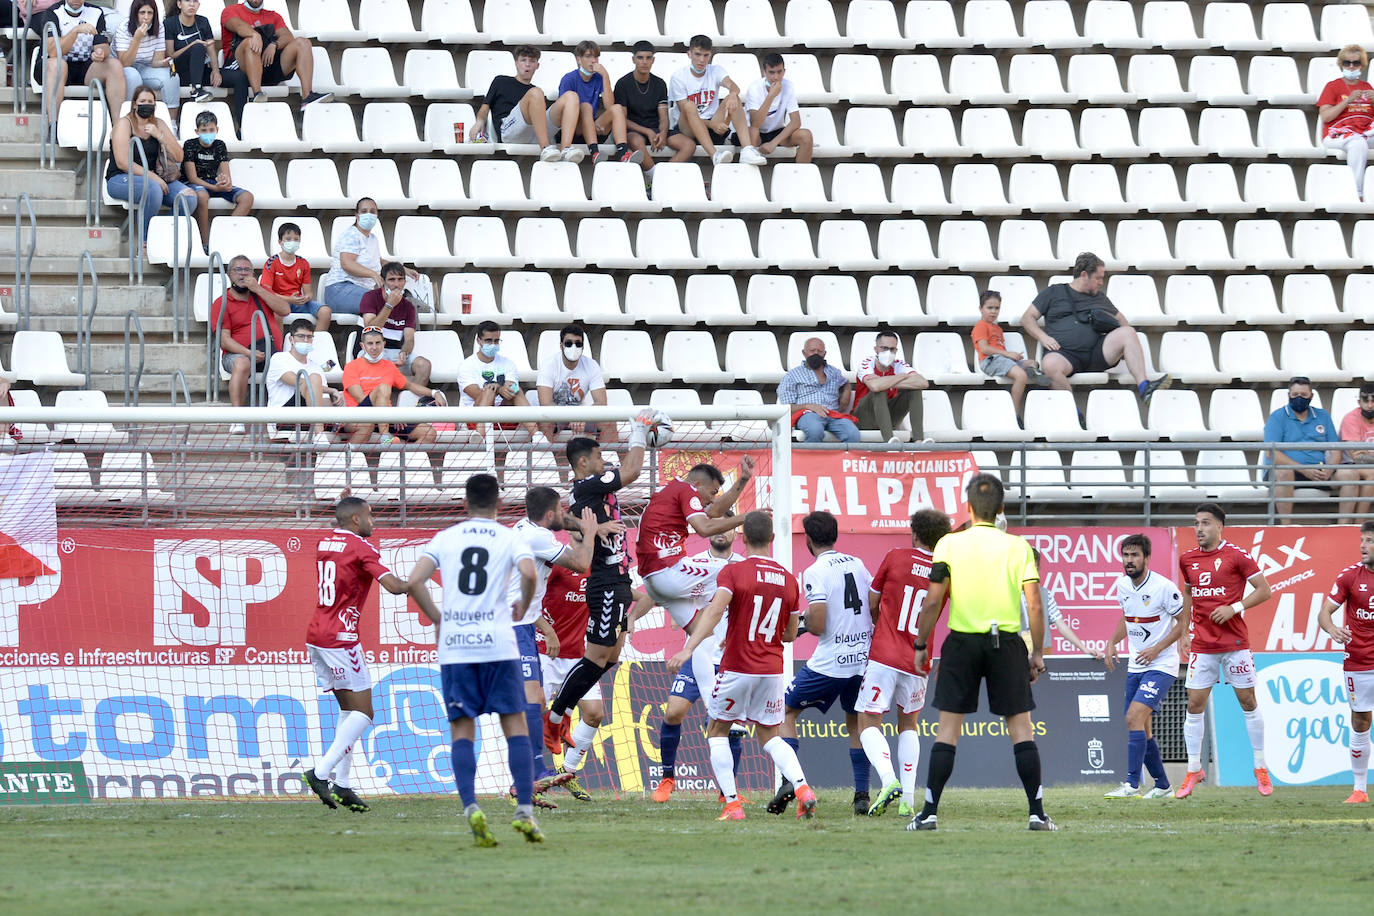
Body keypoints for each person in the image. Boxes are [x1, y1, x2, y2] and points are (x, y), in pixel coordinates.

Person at [909, 473, 1056, 831]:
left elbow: (932, 602)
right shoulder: (1019, 548)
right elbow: (1035, 607)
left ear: (969, 507)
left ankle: (928, 814)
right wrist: (1036, 653)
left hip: (961, 641)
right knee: (1022, 730)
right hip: (1005, 642)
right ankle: (1037, 813)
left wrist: (921, 643)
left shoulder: (948, 544)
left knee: (947, 732)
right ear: (1002, 508)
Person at [404, 473, 544, 846]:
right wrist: (523, 604)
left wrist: (438, 618)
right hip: (498, 643)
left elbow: (414, 581)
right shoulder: (510, 537)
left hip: (457, 645)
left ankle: (471, 807)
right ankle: (525, 812)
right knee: (515, 726)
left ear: (465, 502)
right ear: (498, 502)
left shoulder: (446, 538)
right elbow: (529, 573)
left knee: (463, 730)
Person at [669, 511, 817, 821]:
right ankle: (803, 789)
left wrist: (689, 648)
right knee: (770, 735)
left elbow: (713, 612)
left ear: (744, 538)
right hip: (772, 669)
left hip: (737, 666)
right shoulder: (790, 580)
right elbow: (789, 634)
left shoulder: (734, 572)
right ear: (773, 539)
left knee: (717, 730)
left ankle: (733, 805)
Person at [542, 415, 656, 757]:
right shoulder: (588, 484)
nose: (605, 462)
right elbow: (633, 470)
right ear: (583, 462)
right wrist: (640, 427)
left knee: (612, 657)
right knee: (596, 657)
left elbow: (567, 515)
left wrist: (592, 528)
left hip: (619, 579)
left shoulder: (587, 492)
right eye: (600, 457)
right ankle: (555, 716)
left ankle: (563, 707)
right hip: (604, 581)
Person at [299, 496, 420, 812]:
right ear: (355, 520)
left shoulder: (326, 540)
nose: (373, 521)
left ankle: (343, 784)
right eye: (369, 516)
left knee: (347, 711)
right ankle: (320, 773)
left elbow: (341, 529)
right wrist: (417, 581)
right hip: (341, 638)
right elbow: (393, 587)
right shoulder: (362, 548)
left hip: (317, 634)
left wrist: (345, 502)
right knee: (365, 713)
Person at [768, 510, 873, 816]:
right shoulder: (858, 563)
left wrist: (802, 623)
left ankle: (791, 781)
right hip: (861, 659)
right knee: (856, 722)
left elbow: (819, 624)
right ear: (836, 535)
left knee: (784, 711)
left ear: (809, 540)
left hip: (830, 663)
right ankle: (861, 795)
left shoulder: (815, 571)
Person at [505, 487, 601, 808]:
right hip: (513, 625)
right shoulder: (540, 538)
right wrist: (589, 533)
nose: (563, 516)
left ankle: (533, 774)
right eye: (560, 511)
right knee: (529, 700)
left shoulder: (523, 529)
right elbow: (582, 560)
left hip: (520, 623)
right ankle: (530, 774)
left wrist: (590, 526)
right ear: (549, 514)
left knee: (533, 699)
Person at [1174, 503, 1275, 799]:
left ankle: (1260, 766)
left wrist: (1235, 607)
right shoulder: (1187, 559)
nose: (1199, 529)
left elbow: (1264, 590)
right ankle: (1194, 769)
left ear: (1219, 526)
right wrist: (1184, 632)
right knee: (1194, 704)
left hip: (1234, 644)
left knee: (1247, 701)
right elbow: (1190, 593)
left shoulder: (1237, 557)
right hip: (1203, 645)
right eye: (1196, 523)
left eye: (1205, 523)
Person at [637, 458, 752, 710]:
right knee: (737, 570)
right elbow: (704, 527)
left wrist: (742, 481)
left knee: (704, 635)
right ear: (698, 484)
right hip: (669, 571)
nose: (711, 500)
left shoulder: (670, 492)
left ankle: (714, 709)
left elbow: (712, 512)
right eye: (711, 493)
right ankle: (740, 629)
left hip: (656, 581)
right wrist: (746, 518)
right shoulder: (686, 490)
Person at [859, 509, 951, 819]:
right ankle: (908, 801)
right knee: (909, 725)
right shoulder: (945, 570)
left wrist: (881, 626)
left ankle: (888, 781)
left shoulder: (896, 556)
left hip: (884, 654)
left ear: (914, 533)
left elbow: (872, 601)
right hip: (919, 657)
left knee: (868, 721)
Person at [650, 529, 748, 804]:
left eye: (726, 527)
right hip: (698, 656)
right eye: (716, 527)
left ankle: (725, 792)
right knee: (674, 712)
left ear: (735, 532)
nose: (721, 533)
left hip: (731, 658)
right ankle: (668, 777)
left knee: (730, 723)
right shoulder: (693, 565)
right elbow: (675, 617)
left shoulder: (742, 567)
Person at [1019, 252, 1172, 401]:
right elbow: (1027, 318)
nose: (1101, 282)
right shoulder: (1054, 292)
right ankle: (1072, 412)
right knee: (1050, 365)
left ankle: (1145, 388)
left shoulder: (1099, 297)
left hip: (1096, 354)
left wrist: (1125, 348)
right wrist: (1043, 337)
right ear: (1084, 275)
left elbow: (1122, 322)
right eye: (1098, 278)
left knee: (1128, 332)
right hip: (1064, 354)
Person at [1102, 534, 1184, 799]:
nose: (1129, 560)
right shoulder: (1123, 586)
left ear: (1146, 558)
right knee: (1141, 727)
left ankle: (1131, 784)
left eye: (1134, 555)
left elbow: (1184, 622)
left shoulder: (1164, 587)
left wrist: (1157, 649)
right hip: (1136, 664)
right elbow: (1127, 619)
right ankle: (1162, 785)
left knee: (1133, 718)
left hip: (1162, 664)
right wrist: (1113, 641)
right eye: (1125, 555)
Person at [1317, 521, 1374, 804]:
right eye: (1362, 540)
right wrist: (1332, 629)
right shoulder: (1350, 576)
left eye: (1370, 541)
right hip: (1359, 663)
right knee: (1360, 720)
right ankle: (1359, 789)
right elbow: (1325, 613)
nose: (1363, 546)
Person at [105, 84, 198, 245]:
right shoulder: (124, 124)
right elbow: (122, 162)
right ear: (134, 104)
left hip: (156, 179)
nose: (146, 104)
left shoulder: (159, 124)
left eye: (150, 101)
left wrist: (160, 135)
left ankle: (161, 236)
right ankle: (146, 241)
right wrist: (153, 176)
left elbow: (179, 156)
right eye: (142, 101)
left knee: (189, 198)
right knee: (152, 188)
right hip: (120, 178)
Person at [539, 563, 597, 800]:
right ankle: (523, 782)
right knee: (531, 714)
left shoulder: (598, 567)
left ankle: (567, 772)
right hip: (546, 653)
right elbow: (526, 600)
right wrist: (548, 631)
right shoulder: (557, 563)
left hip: (579, 656)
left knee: (594, 713)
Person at [1263, 376, 1356, 522]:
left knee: (1349, 474)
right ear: (1289, 395)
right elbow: (1271, 453)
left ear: (1311, 396)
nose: (1299, 398)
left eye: (1304, 395)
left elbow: (1336, 449)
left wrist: (1329, 470)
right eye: (1295, 395)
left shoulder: (1322, 416)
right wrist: (1303, 469)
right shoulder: (1277, 417)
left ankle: (1343, 525)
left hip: (1319, 471)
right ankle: (1285, 527)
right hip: (1289, 470)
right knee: (1283, 472)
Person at [210, 253, 288, 426]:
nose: (243, 274)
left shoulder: (262, 293)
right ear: (229, 274)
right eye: (238, 270)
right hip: (238, 354)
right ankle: (237, 418)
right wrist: (248, 352)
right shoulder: (222, 302)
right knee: (242, 363)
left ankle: (285, 419)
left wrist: (258, 289)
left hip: (270, 351)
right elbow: (224, 340)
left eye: (247, 270)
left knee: (292, 366)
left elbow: (285, 310)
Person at [33, 0, 126, 140]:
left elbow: (103, 45)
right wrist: (75, 31)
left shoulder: (96, 12)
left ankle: (118, 129)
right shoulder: (53, 12)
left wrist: (101, 53)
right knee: (58, 65)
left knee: (115, 65)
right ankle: (54, 126)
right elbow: (53, 52)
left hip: (84, 66)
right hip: (52, 66)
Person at [667, 34, 765, 166]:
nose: (702, 60)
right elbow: (685, 110)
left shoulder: (716, 70)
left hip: (713, 126)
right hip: (687, 130)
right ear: (689, 54)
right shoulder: (678, 77)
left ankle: (747, 150)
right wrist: (712, 125)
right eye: (697, 54)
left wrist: (732, 93)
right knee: (690, 106)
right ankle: (714, 155)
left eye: (706, 55)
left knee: (734, 97)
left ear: (710, 55)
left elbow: (733, 86)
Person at [341, 328, 445, 446]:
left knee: (429, 433)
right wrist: (392, 415)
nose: (374, 347)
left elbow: (410, 385)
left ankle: (406, 460)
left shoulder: (389, 366)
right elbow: (360, 398)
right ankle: (385, 436)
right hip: (360, 415)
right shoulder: (352, 366)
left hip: (386, 416)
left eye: (378, 343)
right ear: (362, 346)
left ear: (384, 344)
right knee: (383, 388)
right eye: (370, 343)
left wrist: (434, 393)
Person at [220, 0, 331, 108]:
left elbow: (287, 36)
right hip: (240, 68)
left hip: (267, 66)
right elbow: (238, 26)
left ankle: (307, 97)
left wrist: (274, 45)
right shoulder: (231, 10)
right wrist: (255, 35)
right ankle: (257, 94)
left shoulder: (273, 16)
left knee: (303, 42)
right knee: (250, 42)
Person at [471, 44, 570, 163]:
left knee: (570, 96)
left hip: (533, 133)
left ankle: (566, 149)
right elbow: (484, 108)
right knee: (535, 93)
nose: (527, 64)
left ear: (537, 66)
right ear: (516, 63)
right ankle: (545, 148)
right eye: (523, 60)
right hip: (508, 131)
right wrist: (480, 121)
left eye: (532, 61)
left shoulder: (536, 91)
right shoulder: (501, 81)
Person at [555, 40, 640, 164]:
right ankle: (594, 152)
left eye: (596, 57)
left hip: (591, 127)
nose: (593, 61)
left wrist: (605, 76)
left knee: (617, 108)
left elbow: (609, 106)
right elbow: (564, 113)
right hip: (573, 130)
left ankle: (623, 154)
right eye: (588, 56)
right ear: (579, 60)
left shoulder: (599, 78)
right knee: (586, 107)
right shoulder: (569, 78)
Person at [181, 109, 254, 246]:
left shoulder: (220, 145)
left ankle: (224, 236)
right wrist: (214, 187)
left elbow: (225, 173)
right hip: (197, 183)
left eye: (211, 129)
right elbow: (192, 177)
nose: (208, 133)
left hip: (214, 183)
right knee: (202, 196)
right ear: (197, 131)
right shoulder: (190, 145)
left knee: (247, 197)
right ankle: (205, 242)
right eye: (203, 130)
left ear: (217, 129)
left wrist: (224, 182)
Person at [459, 321, 538, 441]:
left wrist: (503, 389)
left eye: (496, 341)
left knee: (516, 390)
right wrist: (498, 388)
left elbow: (511, 388)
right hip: (475, 418)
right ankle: (480, 437)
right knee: (489, 390)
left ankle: (537, 436)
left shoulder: (508, 363)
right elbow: (476, 393)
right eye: (488, 340)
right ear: (479, 341)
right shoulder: (467, 365)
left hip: (503, 416)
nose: (493, 344)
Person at [973, 289, 1046, 420]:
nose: (993, 311)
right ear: (980, 309)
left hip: (1002, 359)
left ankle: (1033, 371)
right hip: (990, 361)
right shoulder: (981, 326)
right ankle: (1013, 414)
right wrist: (1008, 354)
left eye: (997, 308)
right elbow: (984, 349)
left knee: (1032, 362)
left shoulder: (998, 329)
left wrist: (1013, 356)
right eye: (989, 308)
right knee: (1021, 376)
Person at [165, 0, 245, 113]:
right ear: (179, 4)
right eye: (187, 1)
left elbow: (211, 49)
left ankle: (241, 124)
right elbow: (170, 55)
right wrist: (193, 44)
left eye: (195, 1)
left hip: (199, 71)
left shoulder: (203, 21)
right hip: (180, 73)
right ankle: (196, 89)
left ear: (199, 5)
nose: (192, 4)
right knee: (198, 46)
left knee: (239, 77)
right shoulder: (170, 23)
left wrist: (216, 71)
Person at [360, 261, 431, 388]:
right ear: (383, 281)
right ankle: (403, 385)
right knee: (378, 368)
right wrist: (389, 305)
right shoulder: (370, 297)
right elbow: (370, 329)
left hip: (395, 351)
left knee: (424, 365)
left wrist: (404, 352)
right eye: (392, 280)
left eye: (400, 279)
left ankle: (410, 403)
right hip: (372, 349)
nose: (396, 284)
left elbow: (409, 338)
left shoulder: (408, 306)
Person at [264, 318, 335, 445]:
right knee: (313, 379)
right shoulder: (279, 358)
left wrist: (337, 400)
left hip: (311, 417)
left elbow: (322, 400)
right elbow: (297, 381)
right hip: (285, 418)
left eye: (309, 337)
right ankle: (320, 436)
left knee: (355, 418)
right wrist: (330, 390)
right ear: (291, 339)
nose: (306, 340)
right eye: (301, 336)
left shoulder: (316, 368)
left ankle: (382, 446)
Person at [1022, 548, 1103, 659]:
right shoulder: (1008, 595)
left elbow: (1061, 625)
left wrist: (1084, 649)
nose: (1032, 574)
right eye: (1028, 569)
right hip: (1016, 655)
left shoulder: (1045, 594)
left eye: (1035, 569)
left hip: (1043, 655)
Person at [1318, 45, 1374, 201]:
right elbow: (1326, 117)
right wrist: (1347, 101)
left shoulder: (1367, 87)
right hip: (1338, 135)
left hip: (1364, 132)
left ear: (1361, 65)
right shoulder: (1333, 86)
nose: (1351, 66)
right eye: (1346, 62)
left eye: (1355, 63)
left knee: (1360, 140)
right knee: (1358, 144)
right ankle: (1357, 193)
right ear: (1340, 64)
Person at [778, 337, 859, 444]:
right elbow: (786, 407)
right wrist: (807, 406)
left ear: (824, 354)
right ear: (804, 353)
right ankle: (811, 460)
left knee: (853, 434)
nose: (816, 353)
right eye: (812, 350)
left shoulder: (834, 372)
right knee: (815, 431)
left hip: (833, 414)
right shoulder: (792, 375)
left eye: (819, 351)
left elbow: (845, 383)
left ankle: (840, 460)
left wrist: (845, 399)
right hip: (808, 414)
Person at [536, 323, 608, 441]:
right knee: (546, 422)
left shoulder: (591, 365)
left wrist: (582, 415)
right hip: (554, 416)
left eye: (578, 344)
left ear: (583, 347)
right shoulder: (549, 365)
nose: (573, 347)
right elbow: (546, 403)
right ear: (561, 346)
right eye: (569, 343)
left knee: (608, 423)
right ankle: (544, 459)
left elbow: (601, 403)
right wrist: (572, 416)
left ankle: (608, 458)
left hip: (580, 416)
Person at [854, 329, 927, 444]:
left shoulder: (899, 364)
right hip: (863, 418)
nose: (888, 352)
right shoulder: (867, 363)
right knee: (880, 391)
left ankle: (919, 440)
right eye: (884, 348)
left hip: (889, 417)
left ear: (896, 350)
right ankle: (890, 441)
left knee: (915, 390)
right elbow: (875, 386)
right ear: (876, 349)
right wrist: (901, 377)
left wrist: (887, 381)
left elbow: (923, 382)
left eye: (892, 349)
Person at [113, 0, 178, 124]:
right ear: (135, 14)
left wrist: (164, 62)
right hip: (124, 68)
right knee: (133, 75)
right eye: (142, 13)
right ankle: (131, 121)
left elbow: (155, 61)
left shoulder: (159, 27)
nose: (146, 17)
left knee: (172, 77)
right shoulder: (123, 28)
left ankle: (172, 123)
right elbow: (124, 63)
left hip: (146, 66)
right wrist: (137, 38)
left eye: (150, 13)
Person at [614, 41, 669, 181]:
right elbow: (622, 119)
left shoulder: (660, 83)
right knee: (636, 141)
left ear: (653, 60)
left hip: (655, 128)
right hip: (634, 129)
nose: (644, 62)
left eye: (648, 58)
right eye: (640, 58)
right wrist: (647, 131)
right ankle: (657, 179)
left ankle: (667, 176)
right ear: (633, 59)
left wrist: (662, 133)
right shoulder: (623, 83)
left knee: (687, 145)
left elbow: (663, 116)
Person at [743, 54, 813, 164]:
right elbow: (755, 123)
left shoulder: (788, 86)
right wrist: (771, 96)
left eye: (779, 72)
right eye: (771, 72)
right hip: (754, 132)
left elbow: (796, 122)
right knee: (753, 132)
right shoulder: (754, 88)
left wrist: (773, 143)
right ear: (764, 72)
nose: (776, 77)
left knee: (806, 136)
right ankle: (750, 176)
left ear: (784, 71)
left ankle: (801, 178)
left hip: (775, 132)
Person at [260, 221, 331, 331]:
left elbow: (308, 292)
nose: (292, 242)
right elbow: (266, 292)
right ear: (280, 241)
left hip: (298, 302)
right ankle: (279, 346)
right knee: (277, 313)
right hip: (279, 302)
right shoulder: (272, 262)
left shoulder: (303, 263)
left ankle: (317, 345)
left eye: (296, 239)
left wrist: (305, 297)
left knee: (325, 312)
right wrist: (289, 299)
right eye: (288, 239)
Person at [322, 198, 384, 318]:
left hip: (361, 290)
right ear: (357, 215)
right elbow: (347, 264)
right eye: (364, 211)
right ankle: (371, 336)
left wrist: (402, 269)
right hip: (340, 288)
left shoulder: (373, 238)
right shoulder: (351, 235)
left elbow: (379, 261)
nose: (369, 215)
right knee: (380, 303)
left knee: (392, 303)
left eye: (372, 211)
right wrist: (373, 274)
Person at [1338, 382, 1374, 520]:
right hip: (1348, 465)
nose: (1370, 405)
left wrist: (1367, 454)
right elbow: (1357, 457)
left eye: (1373, 401)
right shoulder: (1351, 419)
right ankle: (1358, 522)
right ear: (1359, 402)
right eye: (1366, 401)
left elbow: (1364, 455)